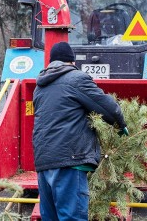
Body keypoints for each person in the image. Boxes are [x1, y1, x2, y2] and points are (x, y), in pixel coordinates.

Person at [32, 41, 128, 220]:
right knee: (72, 217)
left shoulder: (40, 86)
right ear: (71, 61)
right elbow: (107, 108)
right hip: (70, 159)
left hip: (44, 162)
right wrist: (120, 124)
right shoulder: (76, 78)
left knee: (51, 217)